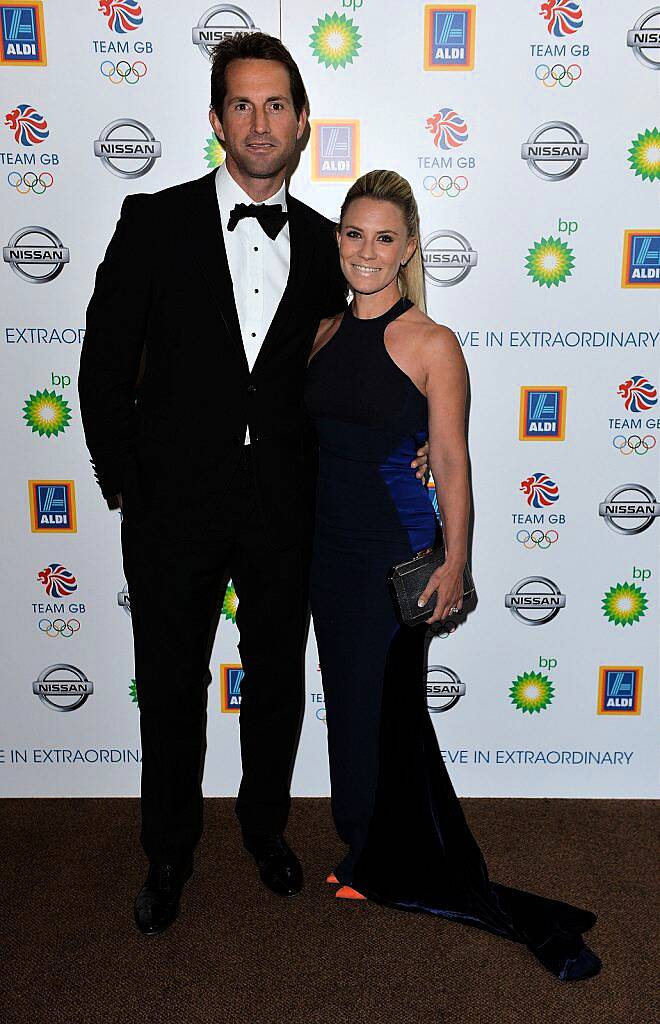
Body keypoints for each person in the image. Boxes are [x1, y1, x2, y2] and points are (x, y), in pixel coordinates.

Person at [78, 35, 427, 935]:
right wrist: (125, 482)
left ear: (303, 123)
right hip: (170, 509)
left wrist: (423, 438)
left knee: (273, 682)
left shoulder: (331, 245)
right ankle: (167, 850)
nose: (260, 122)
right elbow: (103, 361)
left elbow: (382, 352)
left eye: (277, 105)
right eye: (242, 104)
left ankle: (265, 831)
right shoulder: (151, 221)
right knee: (170, 684)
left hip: (286, 510)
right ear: (215, 119)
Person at [305, 169, 601, 981]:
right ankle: (366, 843)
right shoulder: (321, 332)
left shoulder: (433, 342)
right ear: (338, 241)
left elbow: (451, 459)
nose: (368, 250)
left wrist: (458, 562)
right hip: (325, 554)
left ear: (407, 251)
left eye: (385, 238)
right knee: (351, 707)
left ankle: (384, 857)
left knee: (385, 710)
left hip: (395, 554)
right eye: (355, 234)